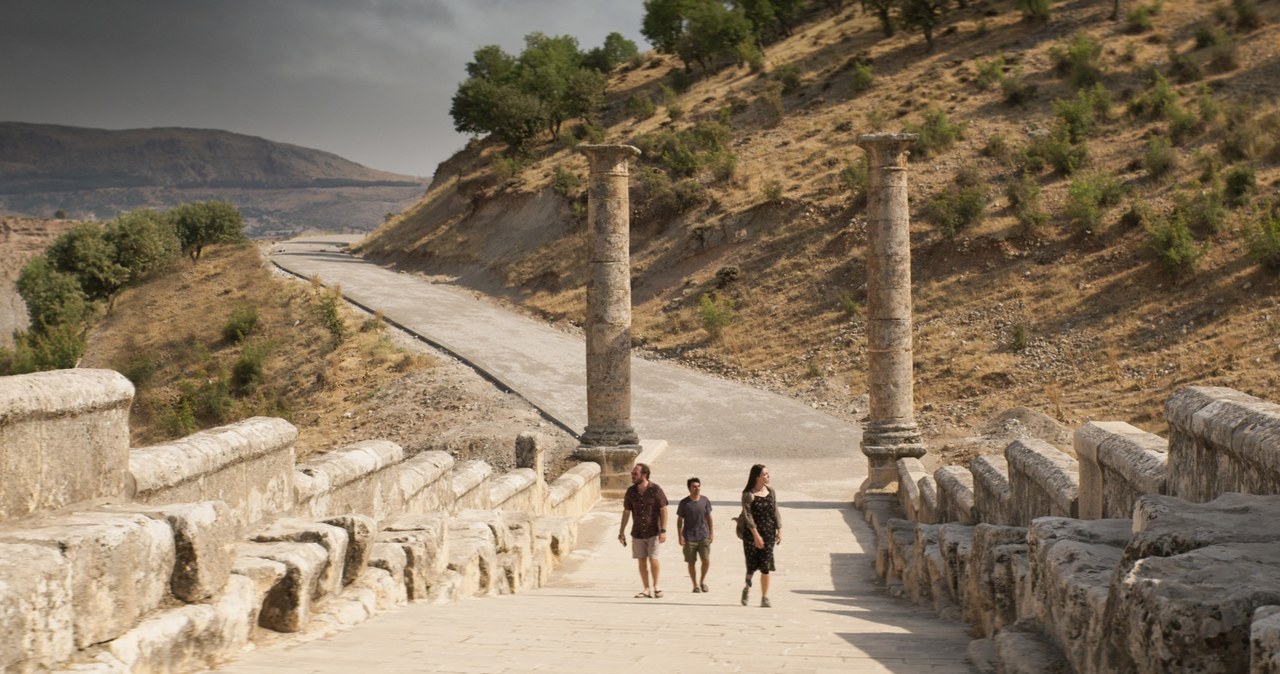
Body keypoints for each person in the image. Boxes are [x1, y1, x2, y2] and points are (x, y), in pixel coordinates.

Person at [618, 462, 668, 598]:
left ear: (644, 475)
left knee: (653, 558)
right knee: (641, 560)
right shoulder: (630, 491)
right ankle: (646, 588)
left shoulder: (656, 489)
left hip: (654, 531)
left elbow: (664, 509)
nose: (632, 476)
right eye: (632, 474)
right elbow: (627, 511)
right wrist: (621, 531)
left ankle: (656, 587)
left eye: (635, 474)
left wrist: (663, 530)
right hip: (638, 531)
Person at [739, 463, 781, 607]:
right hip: (752, 535)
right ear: (757, 477)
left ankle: (765, 597)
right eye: (765, 474)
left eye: (768, 474)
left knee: (765, 566)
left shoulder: (771, 491)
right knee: (751, 565)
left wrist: (779, 529)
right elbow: (747, 516)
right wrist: (756, 535)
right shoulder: (748, 494)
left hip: (769, 533)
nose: (768, 476)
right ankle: (746, 588)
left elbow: (775, 510)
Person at [676, 476, 714, 593]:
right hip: (689, 537)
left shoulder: (705, 500)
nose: (697, 488)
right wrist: (680, 535)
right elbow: (679, 520)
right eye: (694, 486)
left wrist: (711, 533)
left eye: (698, 486)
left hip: (703, 536)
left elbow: (709, 517)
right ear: (689, 489)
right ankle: (695, 585)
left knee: (706, 560)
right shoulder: (684, 503)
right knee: (691, 562)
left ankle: (702, 581)